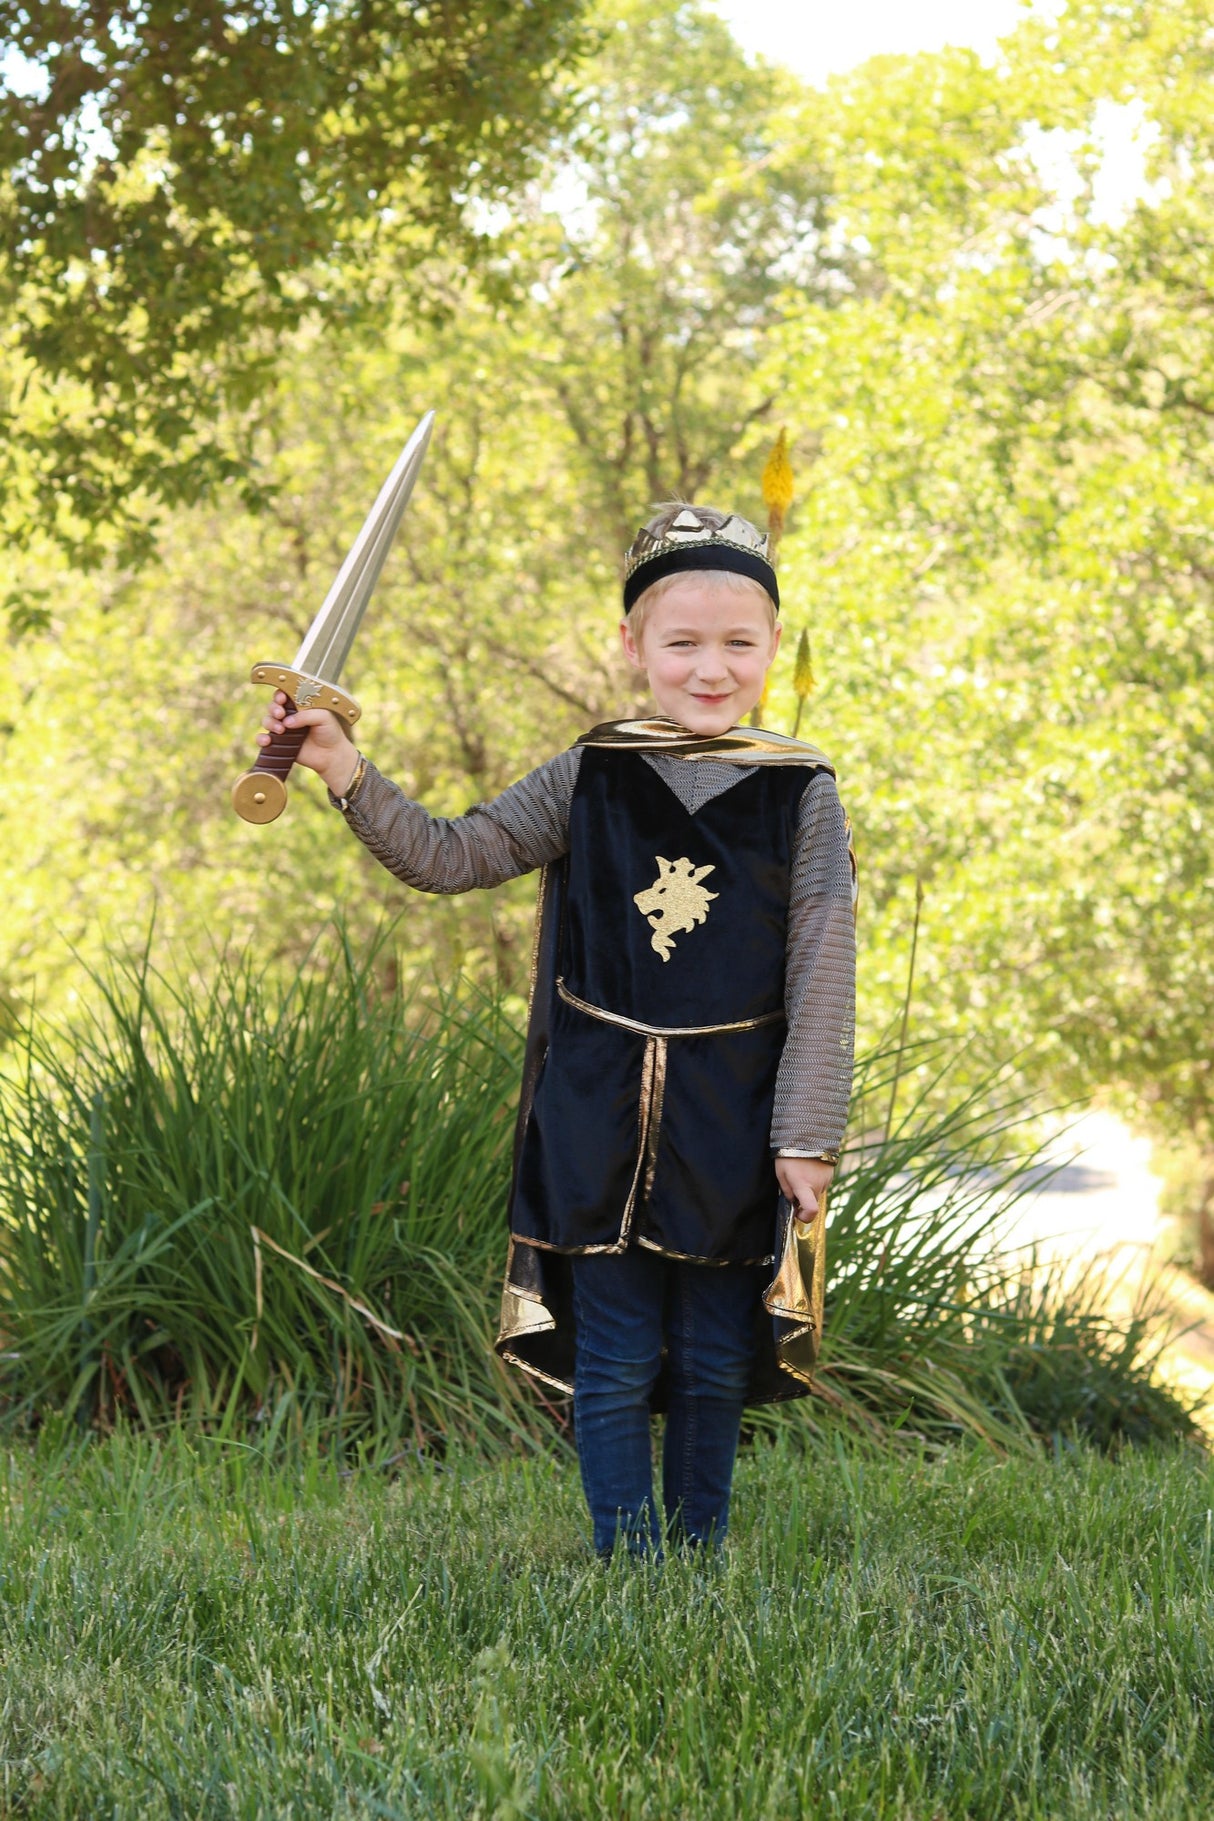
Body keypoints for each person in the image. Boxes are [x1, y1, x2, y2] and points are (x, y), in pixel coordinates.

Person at [258, 502, 856, 1558]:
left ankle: (697, 1557)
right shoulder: (592, 771)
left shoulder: (800, 790)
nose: (709, 669)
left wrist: (804, 1133)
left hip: (731, 1120)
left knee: (715, 1357)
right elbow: (451, 856)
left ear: (772, 644)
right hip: (594, 1115)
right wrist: (342, 768)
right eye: (680, 644)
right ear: (631, 646)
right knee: (617, 1354)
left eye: (737, 643)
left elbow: (821, 961)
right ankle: (628, 1565)